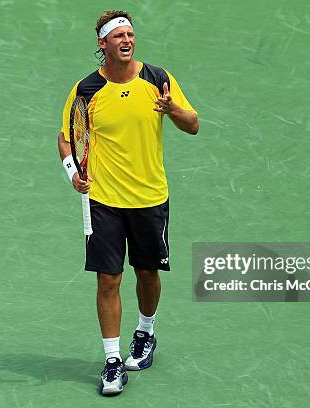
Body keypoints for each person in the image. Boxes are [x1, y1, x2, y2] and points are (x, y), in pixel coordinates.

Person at [57, 9, 199, 396]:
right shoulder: (86, 91)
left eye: (130, 34)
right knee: (108, 279)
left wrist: (173, 110)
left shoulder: (158, 80)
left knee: (148, 273)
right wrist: (73, 172)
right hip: (103, 199)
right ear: (102, 45)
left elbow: (193, 124)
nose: (126, 40)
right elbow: (67, 139)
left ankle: (146, 332)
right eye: (118, 35)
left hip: (150, 197)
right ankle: (113, 360)